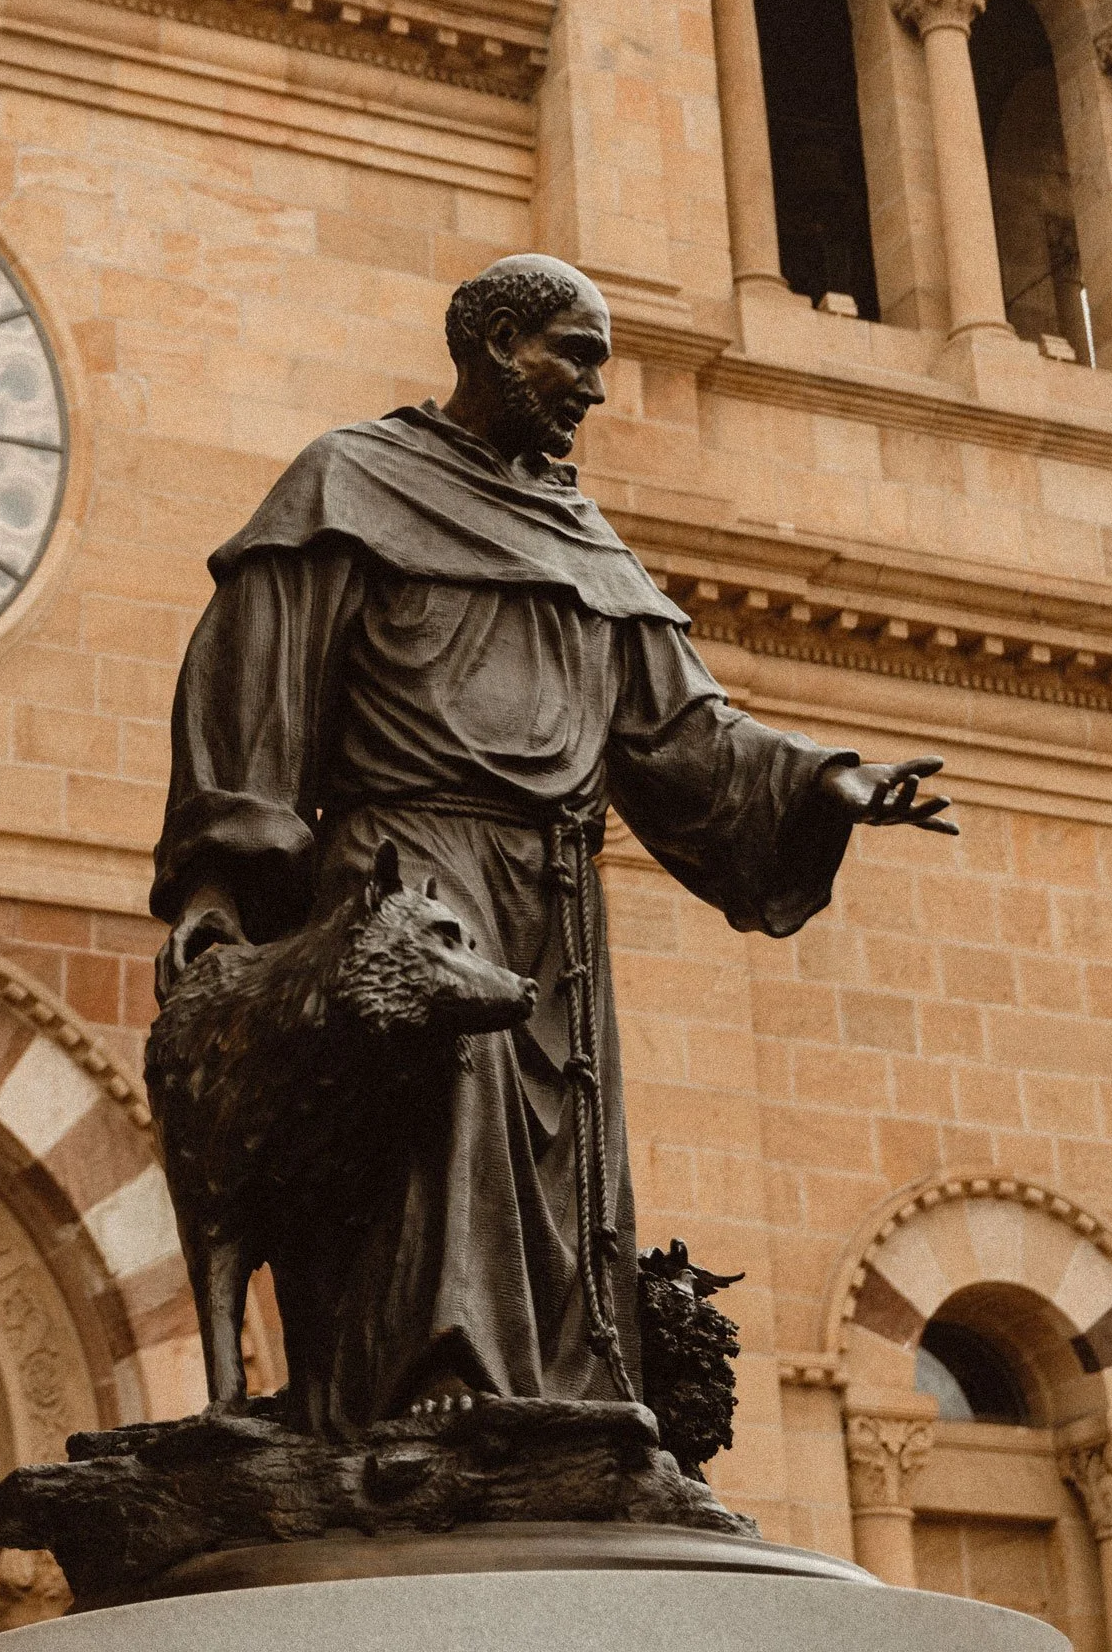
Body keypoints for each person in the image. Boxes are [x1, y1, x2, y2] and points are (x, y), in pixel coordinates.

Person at [152, 255, 955, 1431]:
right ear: (492, 345)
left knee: (553, 1183)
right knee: (433, 1157)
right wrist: (221, 882)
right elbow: (255, 684)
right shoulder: (351, 481)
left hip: (556, 908)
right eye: (572, 353)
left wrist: (829, 779)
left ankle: (552, 1403)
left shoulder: (579, 533)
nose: (593, 385)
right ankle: (423, 1396)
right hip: (407, 882)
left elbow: (681, 730)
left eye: (601, 358)